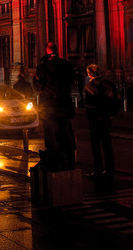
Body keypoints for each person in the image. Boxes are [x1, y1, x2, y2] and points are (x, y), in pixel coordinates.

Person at [33, 42, 79, 170]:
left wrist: (35, 81)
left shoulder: (43, 68)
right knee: (64, 133)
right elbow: (72, 81)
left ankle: (54, 160)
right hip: (64, 105)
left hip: (48, 107)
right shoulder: (67, 65)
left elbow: (38, 87)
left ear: (46, 52)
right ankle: (68, 160)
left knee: (50, 135)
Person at [84, 64, 120, 183]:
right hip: (107, 118)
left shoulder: (90, 86)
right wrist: (111, 115)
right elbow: (116, 99)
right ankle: (110, 171)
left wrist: (92, 116)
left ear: (90, 74)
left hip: (95, 119)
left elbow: (89, 104)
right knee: (107, 145)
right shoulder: (109, 84)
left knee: (96, 146)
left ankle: (98, 171)